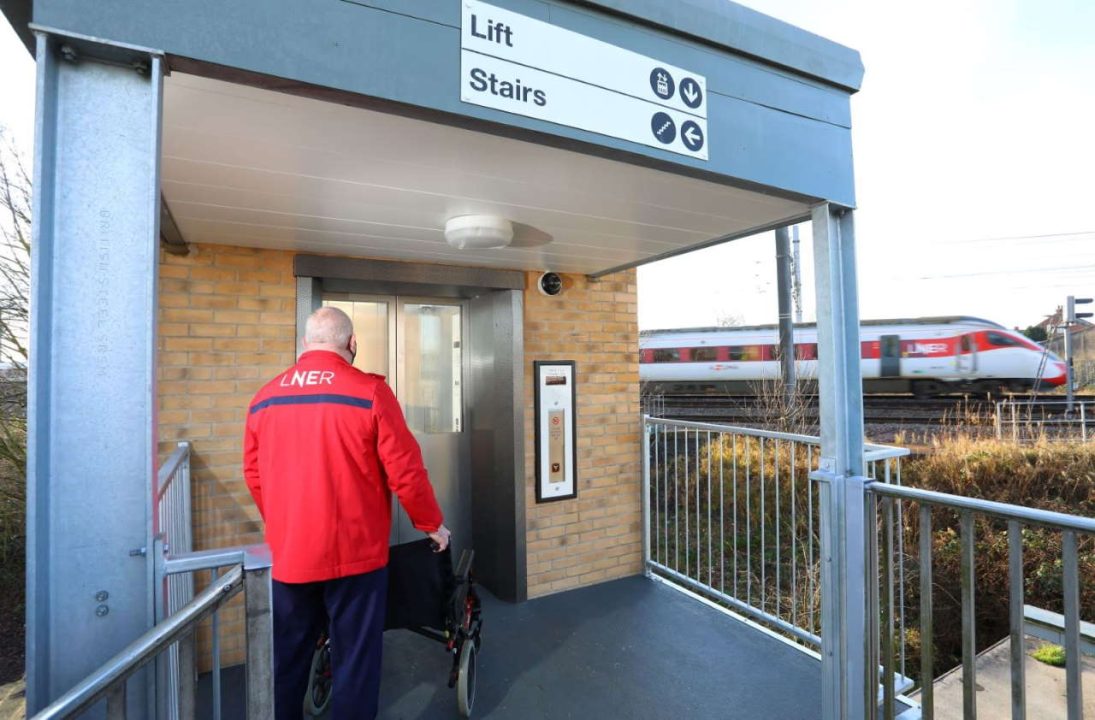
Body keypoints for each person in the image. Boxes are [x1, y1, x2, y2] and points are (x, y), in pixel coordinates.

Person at [244, 306, 450, 719]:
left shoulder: (264, 397)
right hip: (354, 559)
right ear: (352, 343)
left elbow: (253, 473)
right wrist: (432, 525)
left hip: (289, 557)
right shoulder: (370, 393)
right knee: (355, 658)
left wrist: (284, 523)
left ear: (305, 344)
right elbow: (406, 471)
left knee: (287, 656)